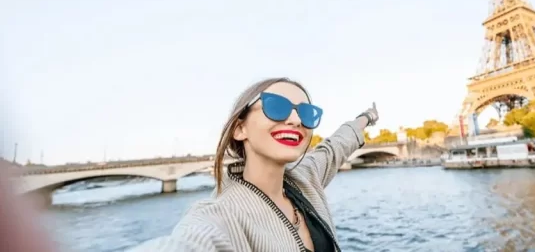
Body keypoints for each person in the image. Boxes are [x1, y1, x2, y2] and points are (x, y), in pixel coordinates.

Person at [132, 77, 379, 252]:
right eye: (277, 106)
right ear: (240, 128)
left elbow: (337, 144)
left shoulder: (307, 177)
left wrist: (366, 118)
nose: (295, 120)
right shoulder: (222, 216)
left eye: (306, 113)